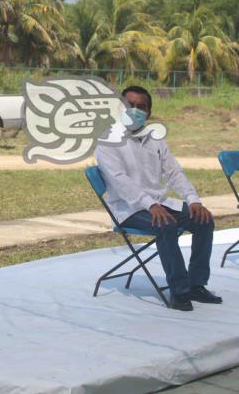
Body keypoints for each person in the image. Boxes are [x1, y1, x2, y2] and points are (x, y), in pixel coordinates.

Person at [94, 85, 220, 311]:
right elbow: (120, 181)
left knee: (204, 220)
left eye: (140, 107)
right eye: (129, 105)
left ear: (149, 113)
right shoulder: (106, 140)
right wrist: (149, 204)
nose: (134, 110)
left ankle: (196, 285)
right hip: (128, 209)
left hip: (159, 205)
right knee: (166, 225)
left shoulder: (155, 139)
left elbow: (174, 172)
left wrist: (193, 200)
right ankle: (179, 292)